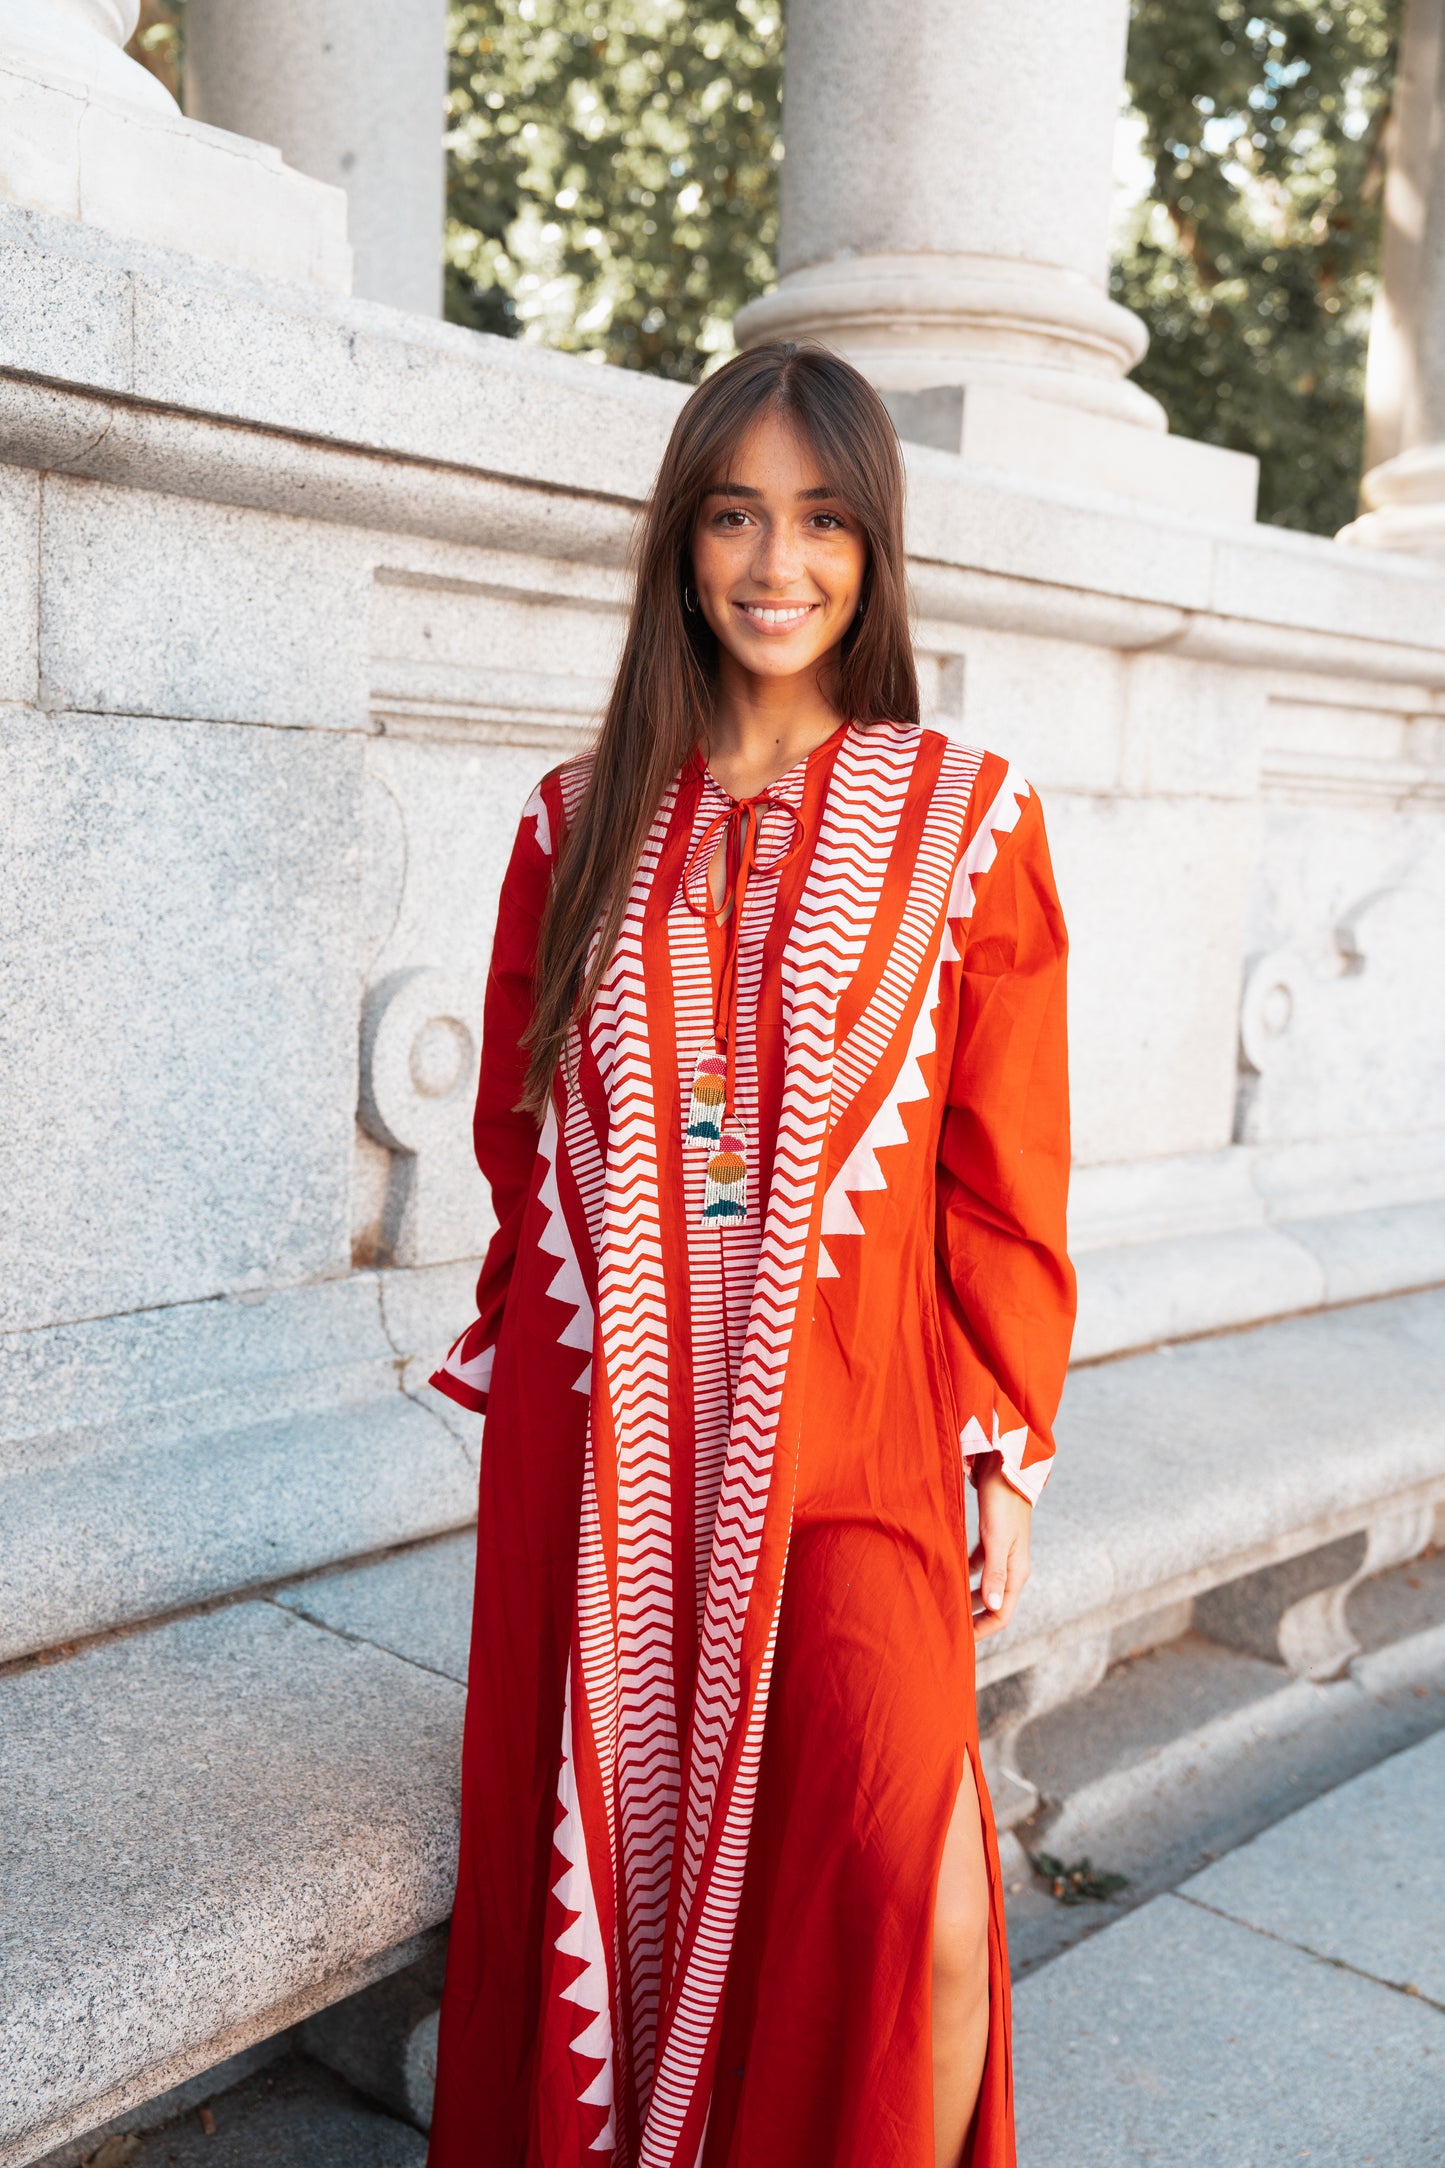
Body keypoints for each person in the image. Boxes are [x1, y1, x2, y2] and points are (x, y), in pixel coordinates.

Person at [425, 341, 1075, 2168]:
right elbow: (516, 1135)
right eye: (731, 517)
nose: (772, 563)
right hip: (616, 1460)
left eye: (819, 520)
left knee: (924, 1899)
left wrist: (1003, 1440)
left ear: (873, 554)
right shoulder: (574, 824)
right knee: (607, 1910)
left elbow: (1003, 1169)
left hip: (863, 1442)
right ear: (679, 547)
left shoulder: (967, 819)